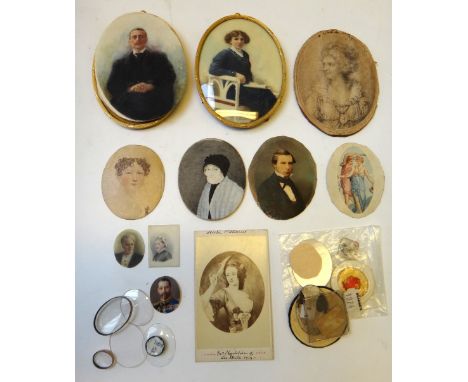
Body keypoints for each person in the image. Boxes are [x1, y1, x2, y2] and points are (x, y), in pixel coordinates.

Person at [107, 27, 176, 121]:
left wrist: (151, 86)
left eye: (141, 37)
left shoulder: (160, 58)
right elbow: (111, 85)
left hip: (153, 100)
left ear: (146, 40)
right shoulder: (119, 63)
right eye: (134, 37)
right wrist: (130, 88)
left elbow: (170, 77)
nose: (138, 40)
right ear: (130, 41)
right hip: (129, 102)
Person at [208, 30, 277, 118]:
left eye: (242, 39)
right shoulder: (225, 53)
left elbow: (248, 74)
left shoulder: (245, 55)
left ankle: (266, 118)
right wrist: (234, 74)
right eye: (236, 39)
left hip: (244, 88)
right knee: (261, 96)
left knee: (267, 92)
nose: (239, 42)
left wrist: (253, 83)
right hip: (230, 90)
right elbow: (213, 69)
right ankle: (261, 119)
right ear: (230, 41)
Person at [306, 42, 369, 129]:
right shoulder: (318, 94)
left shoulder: (358, 93)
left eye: (330, 64)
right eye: (324, 64)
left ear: (342, 65)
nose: (325, 68)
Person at [201, 256, 253, 333]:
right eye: (228, 275)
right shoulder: (224, 293)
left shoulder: (245, 295)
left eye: (233, 274)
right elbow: (202, 305)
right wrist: (213, 285)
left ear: (239, 274)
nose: (230, 278)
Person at [257, 149, 305, 220]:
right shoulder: (265, 187)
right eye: (283, 163)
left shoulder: (291, 183)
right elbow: (271, 215)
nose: (288, 167)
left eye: (290, 163)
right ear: (274, 165)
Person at [197, 154, 244, 220]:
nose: (210, 172)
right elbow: (200, 210)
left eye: (215, 169)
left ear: (223, 171)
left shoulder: (236, 190)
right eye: (207, 169)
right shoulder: (207, 187)